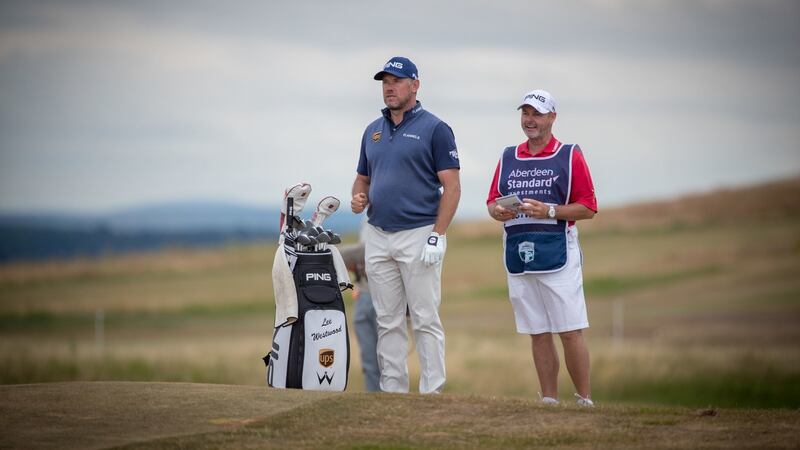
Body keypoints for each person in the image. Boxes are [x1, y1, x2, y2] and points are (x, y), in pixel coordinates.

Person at [350, 56, 461, 394]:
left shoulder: (435, 129)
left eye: (396, 81)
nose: (389, 88)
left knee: (425, 318)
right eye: (385, 82)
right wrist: (358, 197)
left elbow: (452, 187)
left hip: (418, 234)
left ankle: (432, 392)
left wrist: (437, 236)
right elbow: (362, 180)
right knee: (387, 321)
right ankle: (394, 393)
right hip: (379, 236)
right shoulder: (372, 132)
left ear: (415, 85)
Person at [486, 89, 597, 406]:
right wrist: (498, 212)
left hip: (558, 251)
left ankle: (584, 400)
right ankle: (549, 400)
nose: (529, 120)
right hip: (519, 253)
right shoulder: (509, 156)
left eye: (536, 114)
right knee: (537, 330)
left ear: (552, 117)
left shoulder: (569, 155)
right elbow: (492, 202)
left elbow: (587, 207)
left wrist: (549, 210)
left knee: (570, 330)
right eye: (525, 113)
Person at [337, 225, 380, 392]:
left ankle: (380, 396)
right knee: (374, 357)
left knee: (378, 356)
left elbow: (338, 255)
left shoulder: (362, 247)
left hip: (374, 298)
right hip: (369, 297)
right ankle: (378, 396)